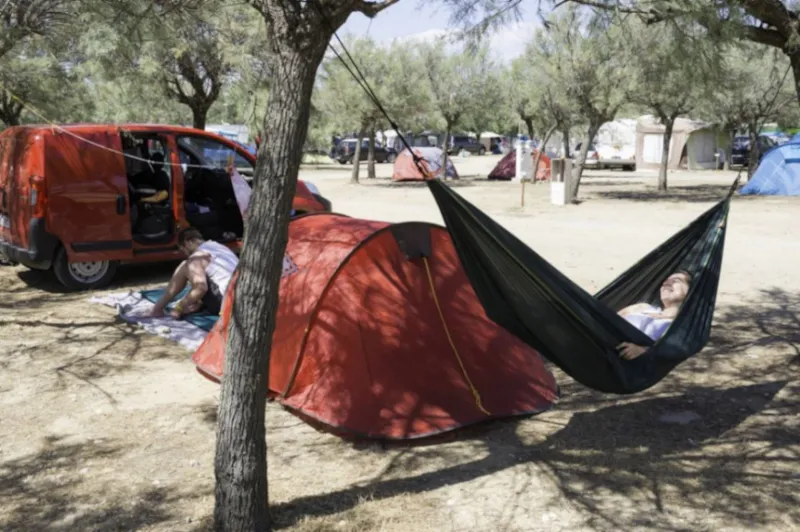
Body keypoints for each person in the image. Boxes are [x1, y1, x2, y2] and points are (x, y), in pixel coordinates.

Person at [149, 228, 238, 318]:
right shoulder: (218, 246)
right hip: (239, 296)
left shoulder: (197, 257)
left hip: (227, 302)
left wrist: (179, 307)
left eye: (183, 249)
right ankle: (197, 304)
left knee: (185, 265)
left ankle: (158, 308)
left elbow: (200, 288)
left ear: (188, 242)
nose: (185, 253)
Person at [616, 270, 692, 360]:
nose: (667, 283)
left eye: (676, 280)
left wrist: (644, 350)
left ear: (689, 291)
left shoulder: (681, 326)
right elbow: (608, 319)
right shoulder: (642, 307)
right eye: (666, 281)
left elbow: (677, 350)